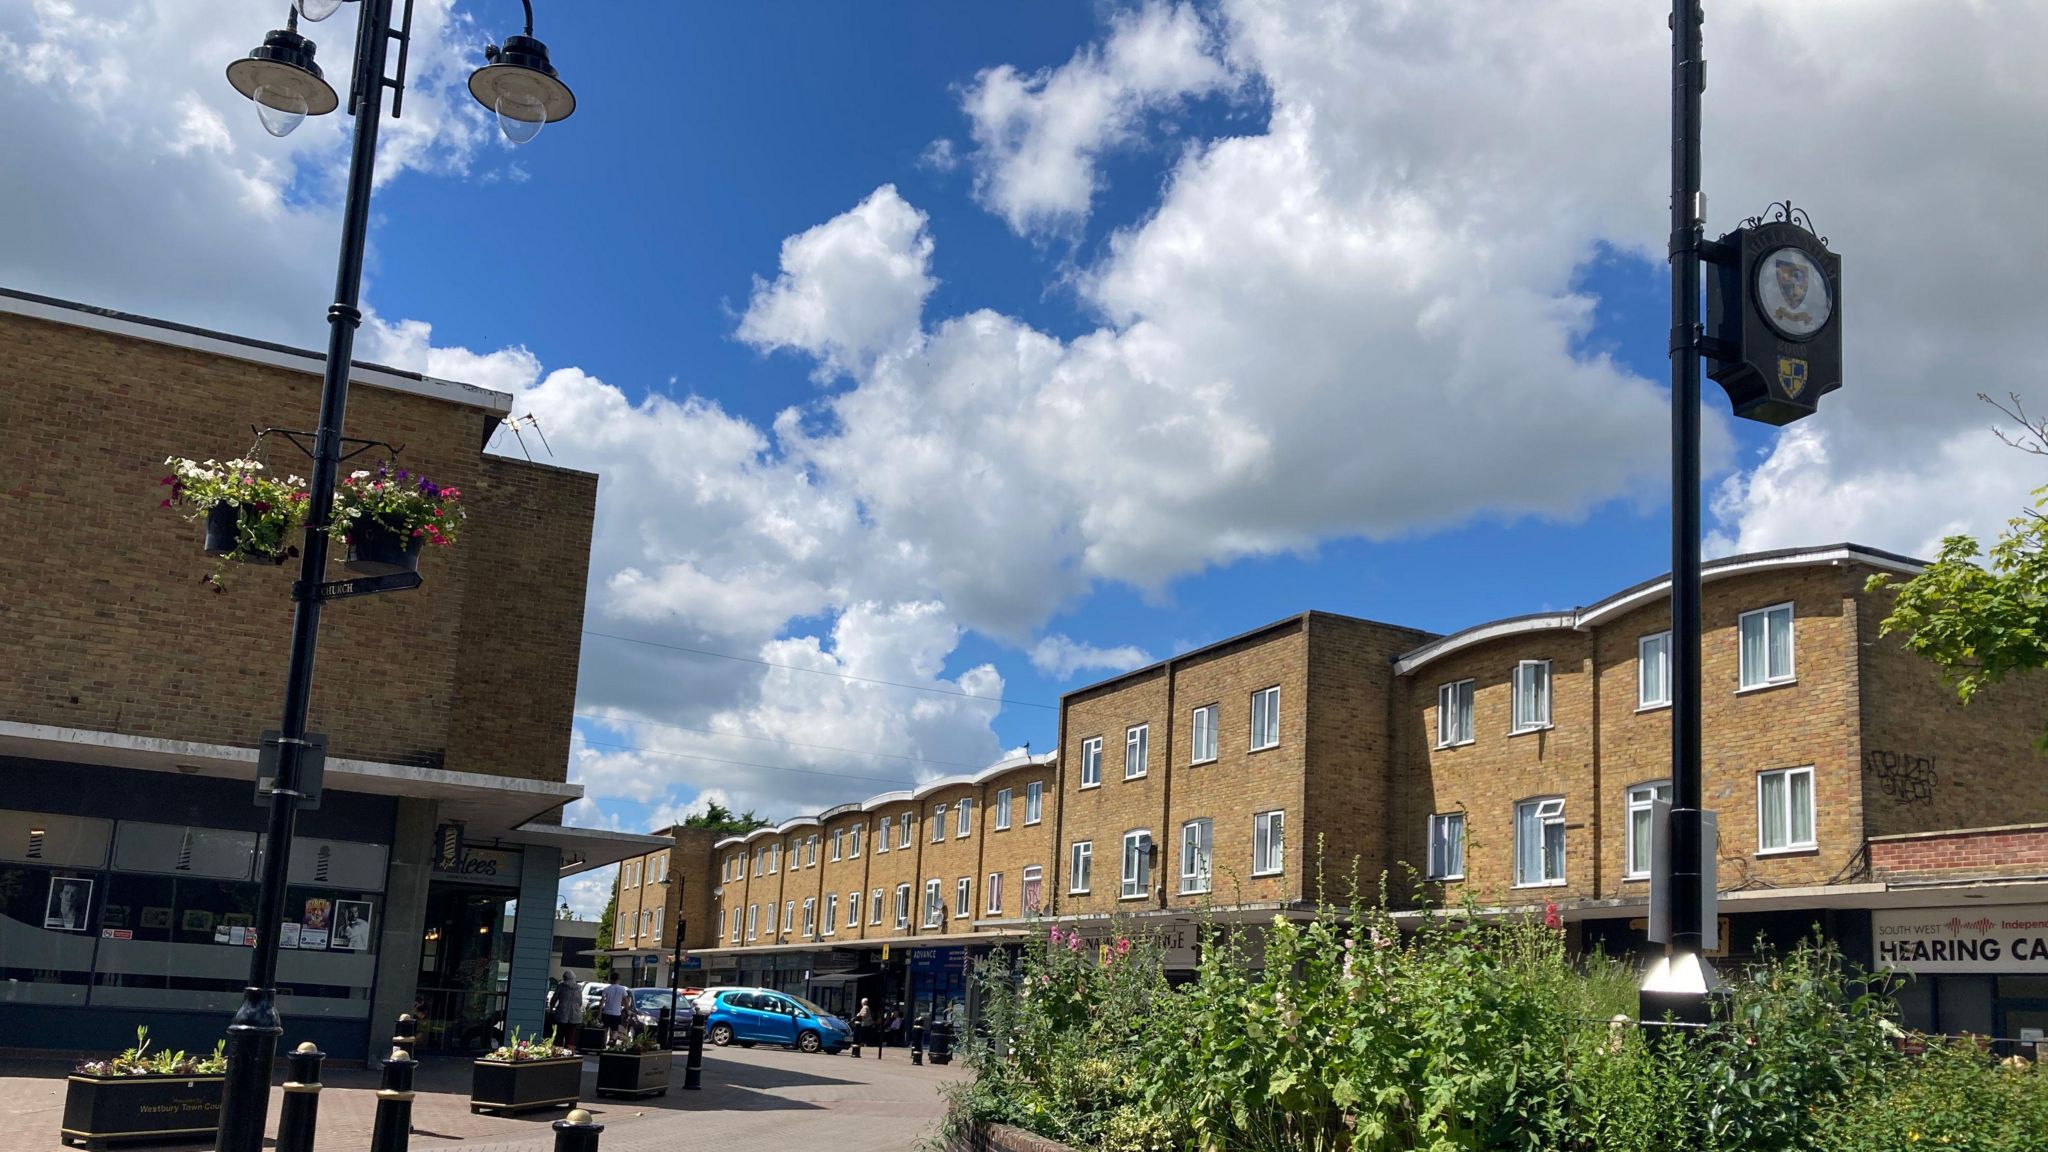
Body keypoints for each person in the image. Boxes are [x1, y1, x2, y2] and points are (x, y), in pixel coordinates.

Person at [549, 971, 580, 1045]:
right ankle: (569, 1053)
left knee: (559, 1035)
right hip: (575, 1016)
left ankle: (558, 1054)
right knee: (570, 1037)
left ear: (565, 978)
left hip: (562, 1014)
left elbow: (554, 999)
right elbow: (580, 1002)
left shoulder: (561, 986)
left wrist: (551, 1007)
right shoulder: (578, 988)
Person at [599, 973, 630, 1041]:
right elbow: (626, 1002)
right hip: (616, 1013)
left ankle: (602, 1043)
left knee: (605, 1029)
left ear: (611, 979)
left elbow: (602, 1002)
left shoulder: (606, 989)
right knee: (615, 1030)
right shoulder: (622, 989)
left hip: (606, 1012)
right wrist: (627, 1011)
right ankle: (612, 1040)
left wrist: (600, 1013)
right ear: (618, 979)